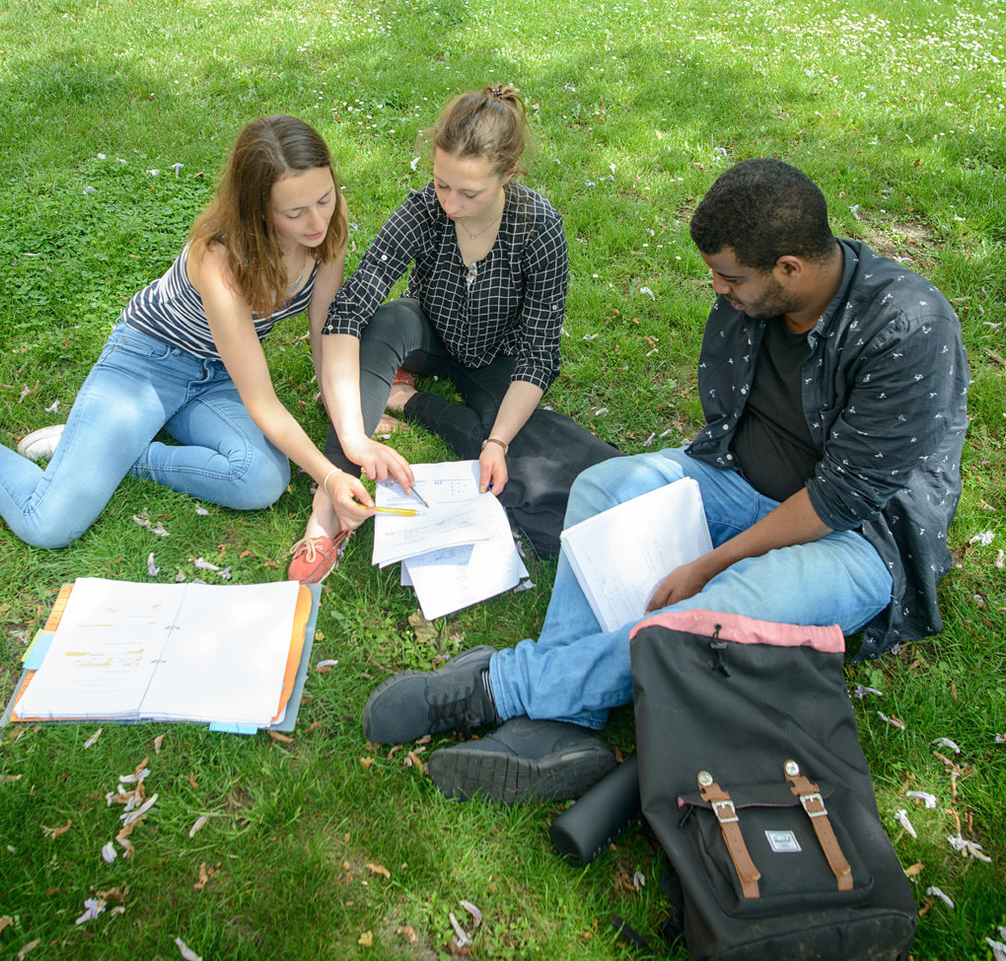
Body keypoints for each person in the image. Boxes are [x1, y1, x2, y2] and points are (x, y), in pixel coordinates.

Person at [362, 158, 971, 805]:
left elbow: (841, 498)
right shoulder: (757, 295)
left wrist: (710, 561)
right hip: (736, 478)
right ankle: (562, 724)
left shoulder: (906, 327)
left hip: (856, 536)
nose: (716, 287)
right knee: (602, 491)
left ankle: (500, 685)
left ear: (790, 268)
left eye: (730, 276)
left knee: (725, 601)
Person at [0, 116, 384, 549]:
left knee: (261, 480)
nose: (317, 219)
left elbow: (325, 336)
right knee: (49, 525)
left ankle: (110, 453)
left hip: (218, 376)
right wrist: (329, 475)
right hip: (147, 366)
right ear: (257, 211)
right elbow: (262, 400)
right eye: (294, 212)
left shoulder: (325, 234)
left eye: (324, 197)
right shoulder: (219, 257)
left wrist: (350, 430)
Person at [288, 83, 599, 583]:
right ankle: (328, 508)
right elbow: (351, 307)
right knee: (386, 320)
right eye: (441, 185)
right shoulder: (423, 210)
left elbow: (540, 355)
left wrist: (497, 441)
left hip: (500, 357)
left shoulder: (539, 227)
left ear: (510, 175)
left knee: (502, 442)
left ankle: (404, 400)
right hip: (427, 330)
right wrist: (350, 432)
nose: (450, 203)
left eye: (469, 192)